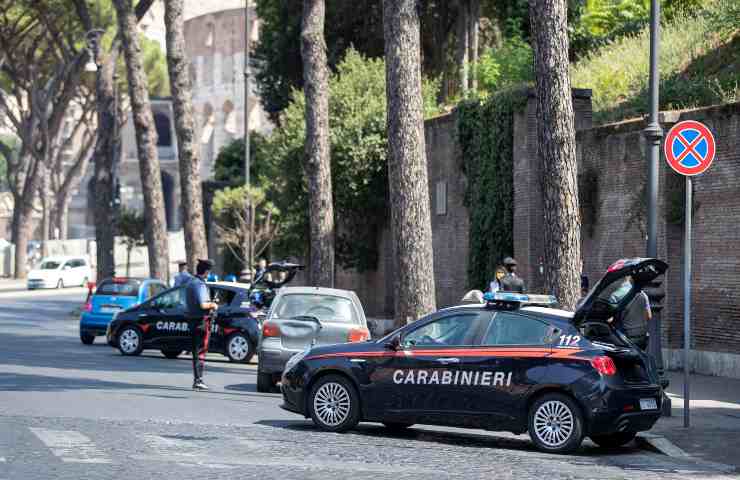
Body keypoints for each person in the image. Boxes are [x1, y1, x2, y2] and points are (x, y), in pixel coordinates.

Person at [185, 259, 219, 391]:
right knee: (200, 352)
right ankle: (198, 380)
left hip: (193, 321)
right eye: (209, 271)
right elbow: (202, 304)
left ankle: (197, 379)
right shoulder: (199, 284)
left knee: (196, 351)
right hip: (201, 322)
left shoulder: (190, 283)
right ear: (206, 271)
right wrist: (213, 304)